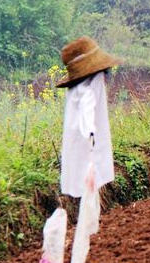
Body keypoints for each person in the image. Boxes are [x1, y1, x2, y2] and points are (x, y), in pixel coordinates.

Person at [57, 36, 120, 198]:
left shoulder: (77, 87)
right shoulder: (91, 84)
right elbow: (87, 109)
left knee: (82, 180)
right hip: (86, 142)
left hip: (77, 141)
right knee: (87, 178)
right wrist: (91, 136)